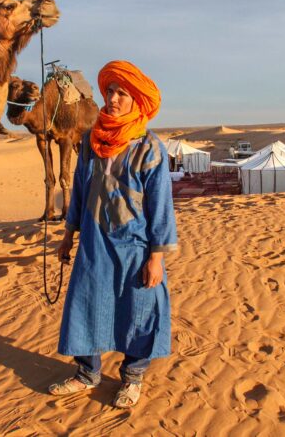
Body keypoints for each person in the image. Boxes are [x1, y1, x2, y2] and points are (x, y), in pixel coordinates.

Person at [50, 60, 178, 408]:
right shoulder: (92, 141)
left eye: (122, 92)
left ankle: (133, 377)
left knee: (138, 310)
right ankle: (86, 373)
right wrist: (68, 234)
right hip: (94, 241)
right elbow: (79, 188)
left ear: (136, 99)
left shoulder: (149, 148)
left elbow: (161, 206)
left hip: (135, 246)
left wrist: (156, 257)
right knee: (85, 304)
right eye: (110, 91)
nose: (113, 98)